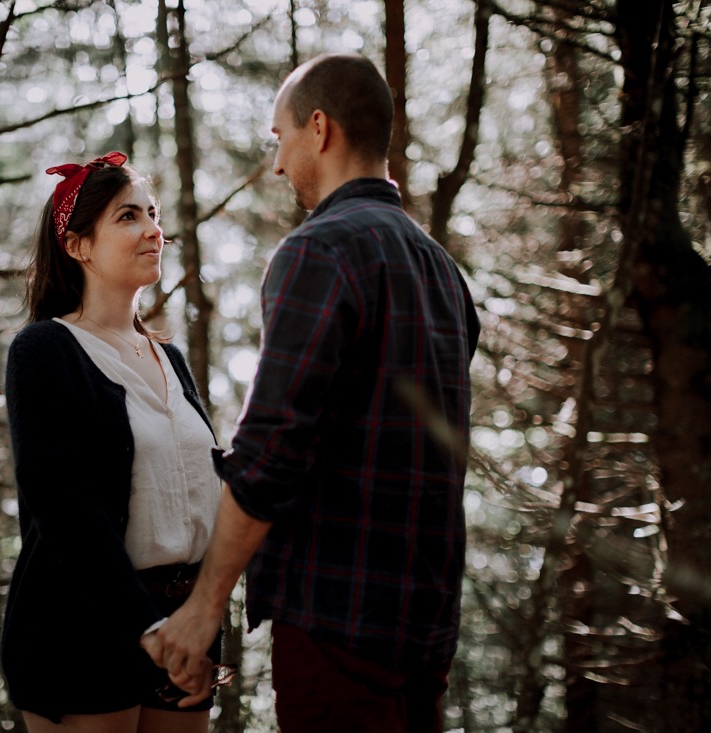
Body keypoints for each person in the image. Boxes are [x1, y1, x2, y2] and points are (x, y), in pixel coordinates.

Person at [141, 53, 481, 732]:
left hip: (339, 627)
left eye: (280, 139)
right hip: (426, 629)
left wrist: (205, 606)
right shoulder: (445, 272)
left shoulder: (319, 250)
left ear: (319, 129)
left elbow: (271, 450)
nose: (276, 164)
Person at [1, 151, 227, 733]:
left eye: (153, 214)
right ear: (78, 246)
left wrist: (200, 615)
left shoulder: (170, 358)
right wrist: (143, 627)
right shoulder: (45, 350)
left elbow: (201, 487)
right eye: (129, 217)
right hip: (82, 624)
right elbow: (61, 504)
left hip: (183, 623)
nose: (154, 230)